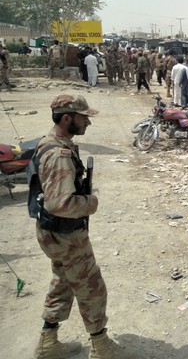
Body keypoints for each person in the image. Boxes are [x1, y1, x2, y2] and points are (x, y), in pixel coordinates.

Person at [32, 95, 129, 358]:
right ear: (67, 118)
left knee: (63, 281)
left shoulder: (50, 143)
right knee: (92, 288)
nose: (88, 122)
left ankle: (48, 342)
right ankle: (101, 347)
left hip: (52, 232)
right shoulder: (60, 154)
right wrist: (90, 202)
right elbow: (59, 203)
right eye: (83, 117)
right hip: (65, 233)